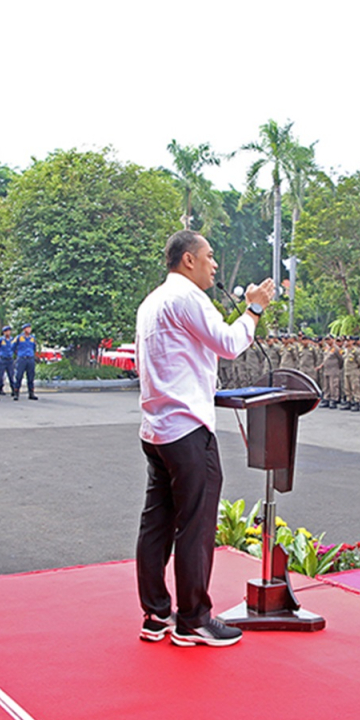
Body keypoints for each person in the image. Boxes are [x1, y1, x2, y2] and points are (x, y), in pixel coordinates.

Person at [135, 228, 274, 648]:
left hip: (157, 426)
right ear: (188, 260)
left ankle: (156, 613)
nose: (214, 264)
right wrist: (253, 309)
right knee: (195, 523)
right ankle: (193, 618)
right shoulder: (186, 298)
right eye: (209, 256)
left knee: (157, 522)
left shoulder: (153, 301)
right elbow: (230, 344)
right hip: (187, 427)